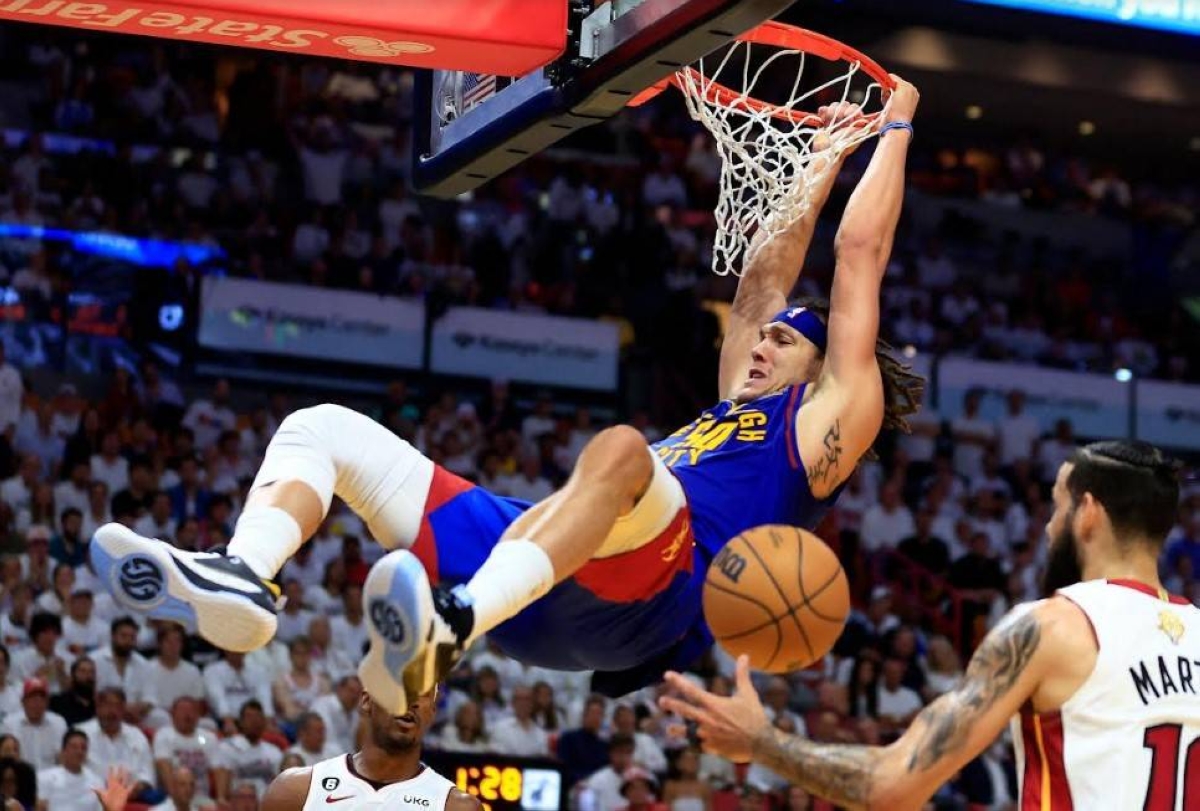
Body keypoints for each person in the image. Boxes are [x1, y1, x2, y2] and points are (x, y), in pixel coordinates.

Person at [91, 81, 925, 714]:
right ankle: (245, 575)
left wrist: (895, 127)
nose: (764, 339)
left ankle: (446, 625)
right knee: (320, 430)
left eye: (787, 341)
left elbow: (860, 253)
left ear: (823, 372)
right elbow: (759, 287)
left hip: (649, 600)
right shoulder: (738, 399)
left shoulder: (826, 423)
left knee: (627, 452)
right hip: (537, 568)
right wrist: (816, 160)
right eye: (767, 335)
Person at [659, 440, 1199, 810]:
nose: (1050, 524)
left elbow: (892, 785)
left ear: (1088, 512)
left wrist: (761, 741)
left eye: (1057, 508)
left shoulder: (1052, 627)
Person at [260, 687, 480, 811]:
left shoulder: (456, 807)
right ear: (366, 700)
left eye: (423, 692)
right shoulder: (294, 791)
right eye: (399, 685)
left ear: (431, 713)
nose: (412, 700)